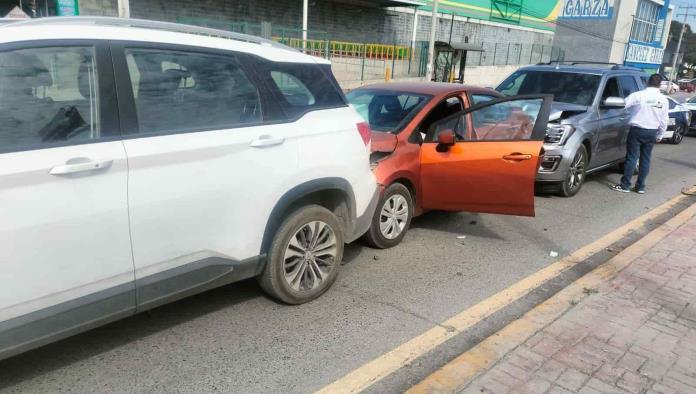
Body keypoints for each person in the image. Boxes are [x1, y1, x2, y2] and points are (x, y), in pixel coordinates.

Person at [612, 74, 669, 194]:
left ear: (648, 82)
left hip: (637, 130)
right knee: (645, 159)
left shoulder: (638, 95)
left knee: (632, 158)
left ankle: (625, 185)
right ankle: (640, 187)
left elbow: (623, 104)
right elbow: (665, 120)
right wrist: (660, 135)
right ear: (660, 85)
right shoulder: (663, 99)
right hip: (652, 131)